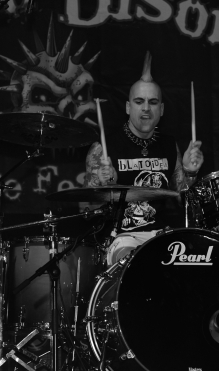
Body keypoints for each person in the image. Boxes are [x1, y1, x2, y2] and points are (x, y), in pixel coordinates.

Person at [84, 52, 204, 266]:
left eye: (153, 102)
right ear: (128, 107)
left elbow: (182, 197)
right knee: (137, 264)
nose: (146, 108)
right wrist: (102, 186)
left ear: (161, 109)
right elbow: (86, 209)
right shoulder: (103, 148)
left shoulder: (169, 144)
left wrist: (190, 171)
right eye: (139, 101)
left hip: (162, 235)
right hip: (122, 238)